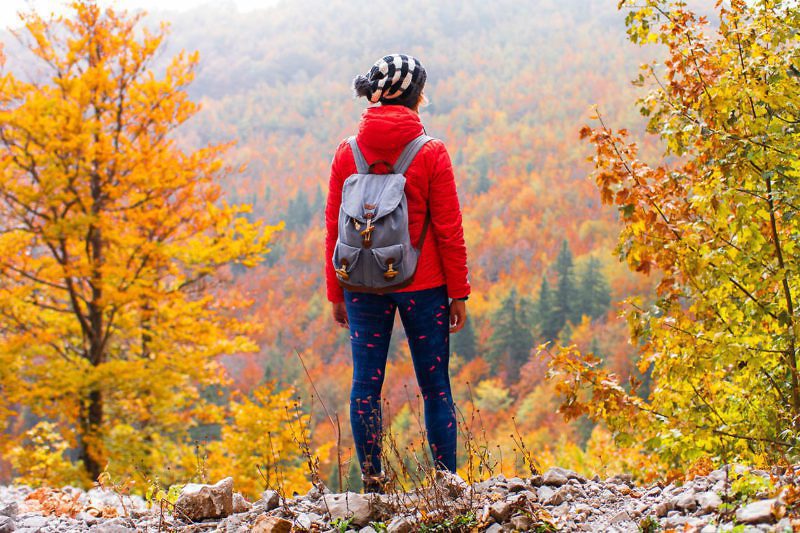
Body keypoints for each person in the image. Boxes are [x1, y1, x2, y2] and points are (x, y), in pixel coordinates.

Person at [325, 54, 470, 493]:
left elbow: (333, 227)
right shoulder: (430, 152)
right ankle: (446, 486)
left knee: (365, 385)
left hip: (361, 284)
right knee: (434, 386)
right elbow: (448, 228)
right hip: (423, 285)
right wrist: (458, 292)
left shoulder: (346, 151)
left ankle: (373, 486)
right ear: (415, 97)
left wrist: (335, 291)